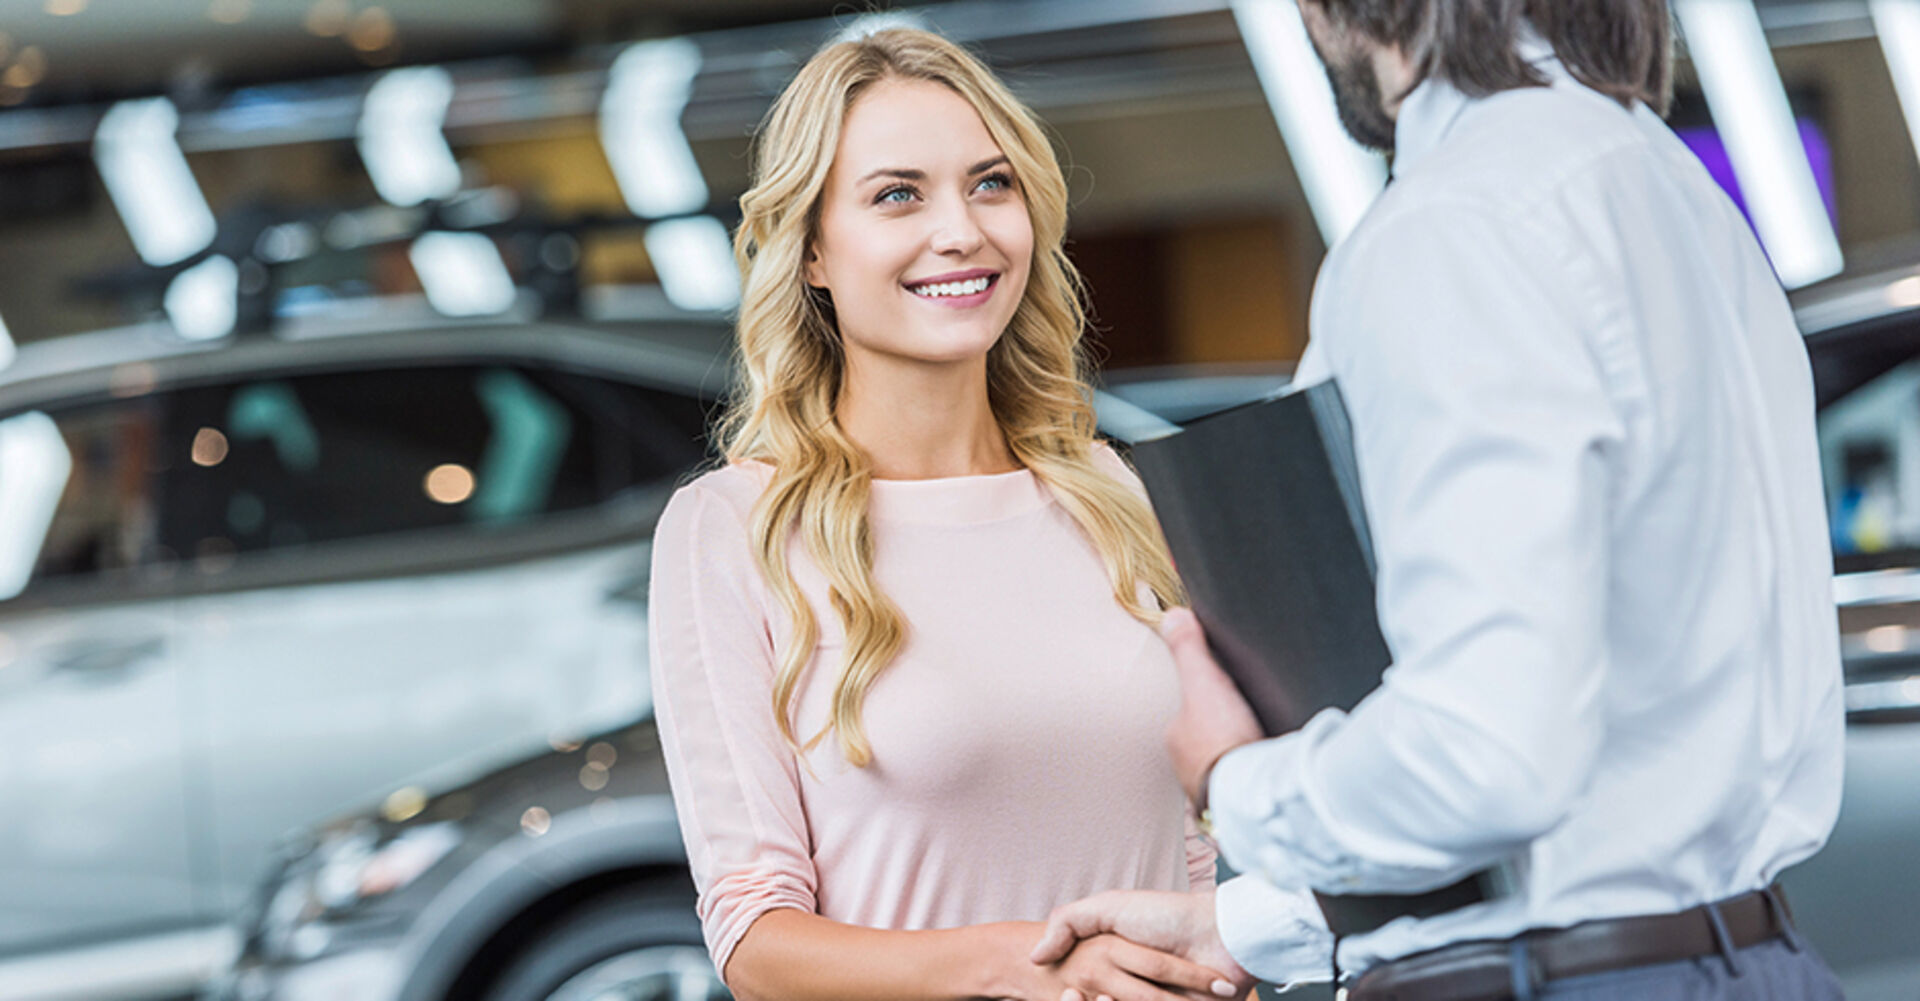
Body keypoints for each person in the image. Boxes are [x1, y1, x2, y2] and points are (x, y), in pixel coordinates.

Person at [1031, 1, 1849, 999]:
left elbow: (1489, 753)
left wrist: (1238, 782)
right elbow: (1623, 749)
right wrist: (1246, 925)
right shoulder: (1673, 190)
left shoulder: (1455, 221)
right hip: (1746, 955)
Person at [647, 26, 1242, 1001]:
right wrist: (1038, 964)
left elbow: (1194, 855)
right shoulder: (734, 526)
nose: (961, 229)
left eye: (990, 183)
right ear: (810, 253)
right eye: (897, 195)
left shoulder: (1113, 493)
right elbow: (756, 938)